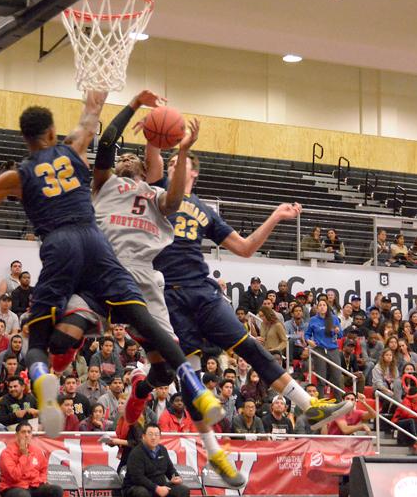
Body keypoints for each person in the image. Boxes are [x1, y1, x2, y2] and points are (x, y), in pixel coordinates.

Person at [0, 91, 222, 442]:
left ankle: (43, 381)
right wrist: (113, 99)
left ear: (25, 138)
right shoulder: (75, 152)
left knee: (38, 336)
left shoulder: (17, 176)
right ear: (52, 133)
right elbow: (93, 122)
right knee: (139, 323)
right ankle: (195, 387)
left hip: (64, 246)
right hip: (96, 244)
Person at [144, 143, 351, 427]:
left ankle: (309, 406)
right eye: (170, 163)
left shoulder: (205, 210)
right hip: (167, 293)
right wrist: (156, 139)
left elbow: (245, 248)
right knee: (189, 366)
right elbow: (152, 157)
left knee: (251, 347)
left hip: (202, 290)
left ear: (194, 173)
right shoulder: (158, 192)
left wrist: (275, 217)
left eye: (180, 162)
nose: (173, 165)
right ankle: (203, 424)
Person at [122, 423, 188, 497]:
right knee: (142, 493)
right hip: (137, 487)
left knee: (182, 490)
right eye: (150, 434)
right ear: (143, 436)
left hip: (159, 486)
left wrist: (176, 477)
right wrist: (156, 488)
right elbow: (138, 478)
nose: (153, 437)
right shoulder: (136, 453)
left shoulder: (162, 449)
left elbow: (170, 469)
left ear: (160, 437)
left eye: (156, 435)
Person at [0, 421, 62, 497]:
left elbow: (43, 470)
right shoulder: (7, 453)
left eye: (29, 432)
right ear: (17, 435)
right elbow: (14, 476)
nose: (26, 435)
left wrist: (39, 480)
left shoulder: (37, 451)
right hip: (13, 486)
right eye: (23, 432)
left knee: (56, 490)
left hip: (33, 485)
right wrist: (24, 455)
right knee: (23, 495)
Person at [304, 298, 343, 399]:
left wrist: (338, 331)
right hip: (319, 350)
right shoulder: (313, 320)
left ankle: (339, 400)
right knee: (321, 377)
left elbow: (341, 335)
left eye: (324, 305)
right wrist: (309, 341)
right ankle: (320, 400)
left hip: (333, 349)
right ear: (317, 308)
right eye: (320, 305)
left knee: (337, 376)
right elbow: (307, 334)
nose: (322, 307)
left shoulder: (334, 318)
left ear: (327, 307)